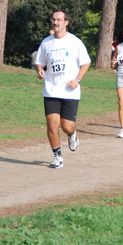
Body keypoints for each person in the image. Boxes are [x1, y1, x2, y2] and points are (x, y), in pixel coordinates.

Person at [34, 10, 91, 169]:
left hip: (70, 91)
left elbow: (86, 63)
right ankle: (57, 156)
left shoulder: (75, 42)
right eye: (53, 19)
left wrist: (78, 79)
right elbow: (39, 61)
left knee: (67, 126)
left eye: (59, 20)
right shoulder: (46, 43)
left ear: (66, 22)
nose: (55, 22)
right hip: (51, 90)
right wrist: (39, 70)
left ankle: (72, 135)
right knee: (52, 123)